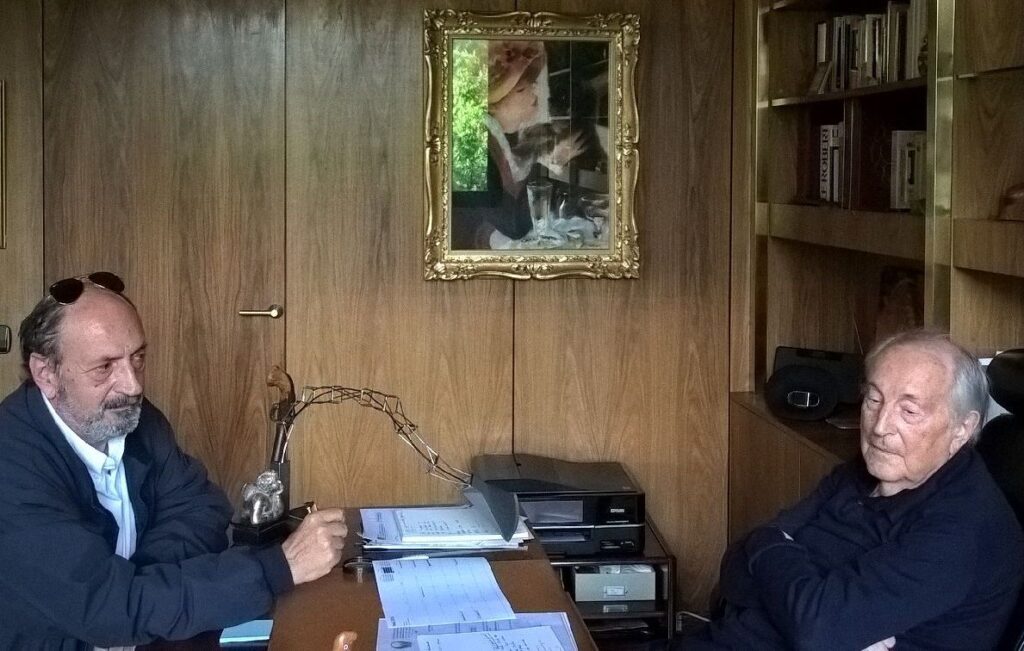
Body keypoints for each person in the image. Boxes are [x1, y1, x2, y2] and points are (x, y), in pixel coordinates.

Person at [0, 272, 348, 649]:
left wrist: (141, 589)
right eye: (104, 367)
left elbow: (202, 509)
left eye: (138, 358)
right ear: (46, 374)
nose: (133, 385)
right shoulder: (11, 466)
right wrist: (278, 568)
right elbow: (105, 608)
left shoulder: (131, 416)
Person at [682, 330, 1024, 650]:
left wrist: (773, 562)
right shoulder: (863, 472)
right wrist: (799, 598)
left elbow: (817, 630)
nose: (880, 427)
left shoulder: (961, 528)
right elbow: (735, 569)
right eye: (873, 399)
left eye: (908, 411)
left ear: (962, 429)